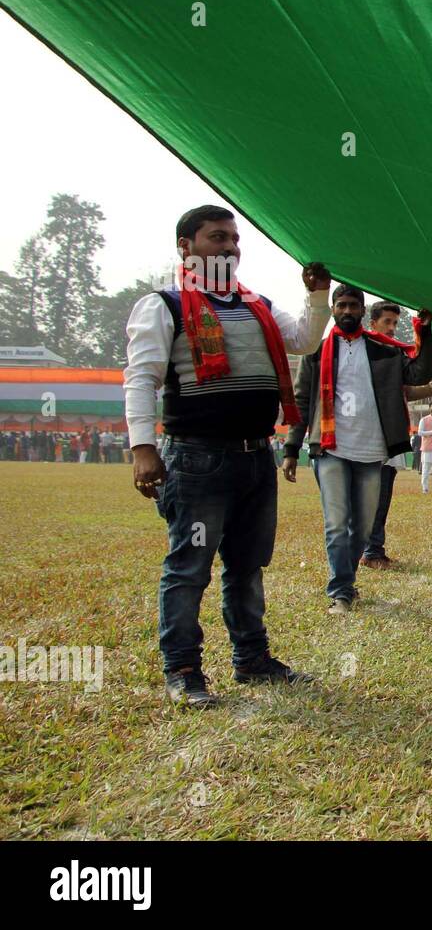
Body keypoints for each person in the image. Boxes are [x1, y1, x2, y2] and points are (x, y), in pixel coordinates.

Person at [125, 204, 330, 705]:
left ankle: (252, 660)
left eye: (234, 239)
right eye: (217, 238)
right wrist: (142, 448)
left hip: (255, 458)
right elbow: (142, 378)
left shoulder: (256, 304)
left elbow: (304, 339)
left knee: (246, 565)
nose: (230, 247)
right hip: (197, 460)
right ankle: (184, 672)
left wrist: (318, 293)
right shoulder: (164, 305)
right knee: (190, 566)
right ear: (186, 248)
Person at [283, 285, 432, 610]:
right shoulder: (317, 352)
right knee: (336, 523)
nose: (347, 311)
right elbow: (301, 401)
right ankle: (340, 591)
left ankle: (345, 580)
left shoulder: (383, 350)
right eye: (341, 305)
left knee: (363, 527)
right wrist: (292, 448)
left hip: (371, 451)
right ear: (333, 308)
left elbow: (420, 372)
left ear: (362, 311)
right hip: (329, 449)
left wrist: (424, 329)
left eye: (353, 305)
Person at [360, 302, 432, 569]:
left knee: (382, 495)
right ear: (372, 323)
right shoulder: (359, 350)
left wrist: (424, 331)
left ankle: (373, 549)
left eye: (394, 323)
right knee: (365, 498)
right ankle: (366, 550)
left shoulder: (393, 354)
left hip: (387, 435)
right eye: (386, 322)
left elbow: (409, 387)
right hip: (362, 436)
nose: (391, 328)